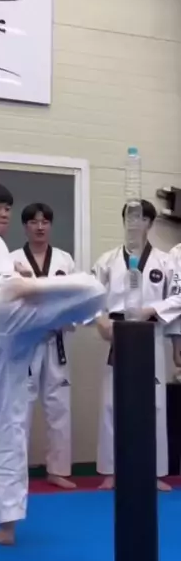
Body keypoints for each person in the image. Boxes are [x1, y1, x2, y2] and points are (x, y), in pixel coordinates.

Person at [0, 183, 106, 545]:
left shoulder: (3, 251)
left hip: (8, 325)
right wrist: (15, 276)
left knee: (7, 424)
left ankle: (7, 525)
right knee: (91, 290)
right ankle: (33, 290)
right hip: (0, 306)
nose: (3, 213)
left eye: (7, 207)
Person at [92, 200, 181, 492]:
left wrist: (150, 310)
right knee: (111, 402)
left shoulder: (167, 261)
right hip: (117, 333)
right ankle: (111, 471)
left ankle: (153, 472)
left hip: (150, 332)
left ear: (150, 223)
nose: (134, 223)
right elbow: (90, 296)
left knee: (154, 403)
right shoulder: (107, 260)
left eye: (140, 218)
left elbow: (179, 297)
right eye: (129, 218)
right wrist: (100, 320)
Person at [11, 202, 77, 490]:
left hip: (55, 339)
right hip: (26, 342)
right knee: (20, 408)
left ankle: (58, 470)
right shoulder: (12, 261)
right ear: (25, 226)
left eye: (45, 222)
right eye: (34, 222)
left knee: (59, 405)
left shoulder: (64, 260)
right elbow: (7, 300)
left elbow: (74, 297)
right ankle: (16, 472)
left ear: (50, 225)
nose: (40, 227)